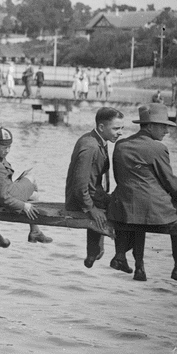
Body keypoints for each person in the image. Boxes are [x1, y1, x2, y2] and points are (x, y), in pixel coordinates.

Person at [106, 103, 177, 282]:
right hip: (151, 210)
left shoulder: (120, 145)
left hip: (123, 208)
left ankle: (139, 266)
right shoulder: (157, 148)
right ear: (150, 126)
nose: (166, 131)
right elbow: (170, 182)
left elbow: (119, 178)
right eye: (163, 126)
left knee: (137, 210)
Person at [65, 108, 125, 268]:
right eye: (116, 128)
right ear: (101, 127)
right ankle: (118, 255)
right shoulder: (90, 146)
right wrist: (91, 208)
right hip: (80, 200)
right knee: (126, 209)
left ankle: (94, 251)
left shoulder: (97, 140)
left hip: (91, 194)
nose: (120, 133)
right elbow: (79, 185)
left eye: (122, 128)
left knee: (121, 201)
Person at [0, 127, 53, 244]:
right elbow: (3, 198)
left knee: (32, 193)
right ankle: (35, 230)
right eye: (4, 147)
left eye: (9, 147)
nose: (7, 150)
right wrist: (23, 206)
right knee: (32, 182)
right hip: (1, 199)